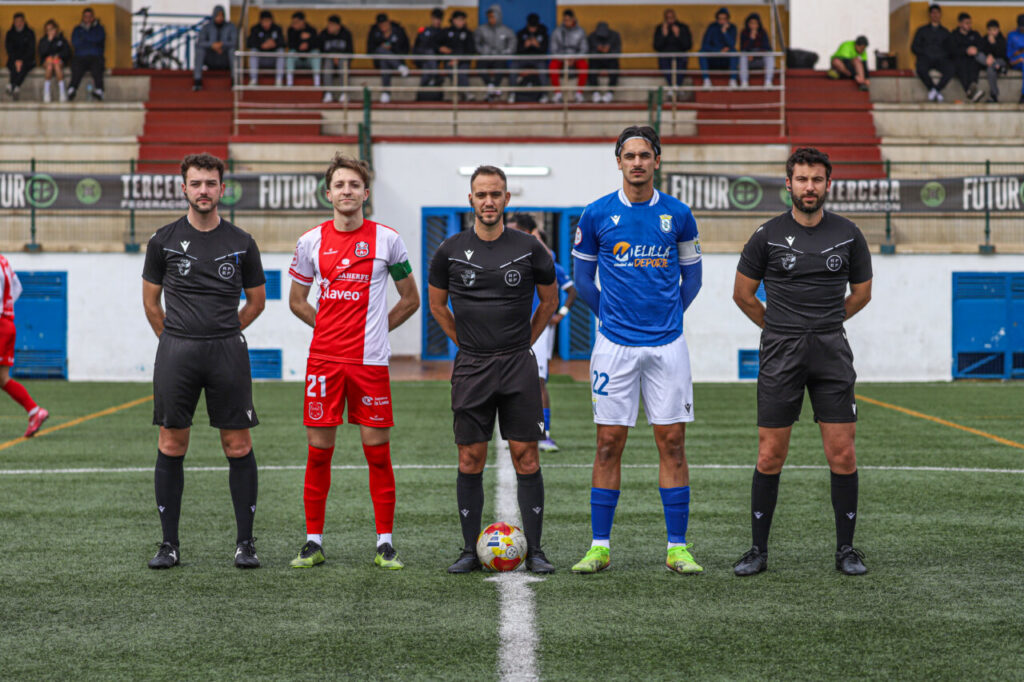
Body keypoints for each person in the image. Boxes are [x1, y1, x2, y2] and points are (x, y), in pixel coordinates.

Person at [731, 147, 872, 577]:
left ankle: (846, 550)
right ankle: (758, 551)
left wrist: (826, 324)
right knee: (771, 454)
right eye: (802, 179)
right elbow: (743, 294)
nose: (809, 187)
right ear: (788, 184)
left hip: (831, 352)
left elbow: (862, 292)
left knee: (842, 454)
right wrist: (778, 327)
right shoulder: (766, 235)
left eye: (817, 179)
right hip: (781, 352)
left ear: (828, 184)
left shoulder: (849, 234)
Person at [570, 125, 704, 575]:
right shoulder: (595, 215)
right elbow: (584, 281)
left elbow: (694, 278)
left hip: (668, 345)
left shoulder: (679, 215)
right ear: (619, 161)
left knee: (673, 443)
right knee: (608, 444)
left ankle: (678, 547)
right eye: (630, 156)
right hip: (614, 347)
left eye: (645, 155)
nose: (638, 163)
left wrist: (668, 317)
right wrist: (611, 317)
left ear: (657, 160)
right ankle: (599, 546)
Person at [287, 154, 419, 570]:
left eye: (354, 185)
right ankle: (313, 541)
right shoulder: (310, 241)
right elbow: (296, 301)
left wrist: (375, 330)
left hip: (370, 365)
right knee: (318, 453)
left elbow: (410, 299)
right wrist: (325, 327)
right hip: (324, 363)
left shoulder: (387, 240)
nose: (347, 191)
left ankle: (385, 543)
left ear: (366, 193)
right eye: (339, 185)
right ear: (328, 193)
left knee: (377, 453)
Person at [427, 165, 558, 574]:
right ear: (470, 199)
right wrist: (465, 344)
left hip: (518, 364)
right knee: (470, 458)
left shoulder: (531, 249)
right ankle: (469, 550)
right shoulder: (448, 250)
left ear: (506, 199)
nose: (489, 201)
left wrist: (525, 343)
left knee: (527, 457)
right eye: (481, 194)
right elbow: (436, 306)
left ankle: (535, 550)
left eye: (496, 194)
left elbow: (549, 303)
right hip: (472, 367)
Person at [141, 153, 267, 570]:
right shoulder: (162, 240)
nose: (203, 191)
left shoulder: (242, 242)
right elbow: (150, 301)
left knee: (238, 444)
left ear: (222, 189)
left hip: (227, 350)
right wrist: (175, 339)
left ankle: (245, 544)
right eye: (196, 183)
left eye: (211, 183)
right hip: (177, 351)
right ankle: (168, 545)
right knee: (172, 443)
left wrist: (225, 333)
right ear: (184, 188)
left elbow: (256, 301)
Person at [507, 213, 577, 451]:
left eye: (513, 229)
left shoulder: (545, 259)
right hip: (511, 327)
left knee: (537, 381)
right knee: (511, 382)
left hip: (537, 327)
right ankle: (518, 432)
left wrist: (561, 314)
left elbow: (572, 291)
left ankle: (543, 434)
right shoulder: (509, 256)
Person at [0, 254, 49, 438]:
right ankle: (34, 411)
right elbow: (17, 289)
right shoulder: (3, 261)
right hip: (7, 324)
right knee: (2, 379)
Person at [912, 3, 953, 102]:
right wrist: (924, 53)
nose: (935, 15)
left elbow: (950, 48)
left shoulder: (945, 32)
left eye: (937, 13)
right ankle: (933, 89)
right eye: (933, 13)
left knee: (951, 69)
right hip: (926, 58)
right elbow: (914, 47)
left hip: (940, 59)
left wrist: (943, 55)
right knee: (920, 68)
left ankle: (936, 90)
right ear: (930, 15)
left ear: (940, 15)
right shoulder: (922, 30)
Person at [367, 13, 410, 104]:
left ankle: (386, 93)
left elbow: (406, 49)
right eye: (381, 25)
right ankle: (399, 67)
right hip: (380, 62)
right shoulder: (374, 32)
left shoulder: (398, 31)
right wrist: (383, 48)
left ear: (389, 22)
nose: (383, 27)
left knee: (384, 60)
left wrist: (392, 48)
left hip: (397, 58)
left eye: (385, 24)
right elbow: (370, 50)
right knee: (381, 53)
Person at [475, 5, 516, 101]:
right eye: (489, 17)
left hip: (499, 57)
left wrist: (505, 53)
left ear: (498, 16)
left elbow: (512, 44)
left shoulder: (506, 30)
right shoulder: (482, 29)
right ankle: (492, 87)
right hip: (486, 57)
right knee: (479, 65)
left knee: (500, 65)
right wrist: (483, 51)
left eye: (493, 17)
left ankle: (493, 88)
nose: (491, 19)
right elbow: (476, 43)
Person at [193, 5, 237, 92]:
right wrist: (212, 45)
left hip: (224, 58)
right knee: (200, 51)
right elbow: (200, 42)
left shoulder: (230, 27)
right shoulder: (207, 27)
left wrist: (222, 45)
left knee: (232, 51)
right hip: (211, 58)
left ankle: (234, 81)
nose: (219, 18)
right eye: (217, 15)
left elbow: (234, 42)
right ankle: (197, 81)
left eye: (221, 15)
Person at [549, 9, 588, 103]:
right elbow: (553, 50)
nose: (566, 22)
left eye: (568, 20)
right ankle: (558, 94)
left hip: (576, 58)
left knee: (584, 65)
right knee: (552, 65)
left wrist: (574, 58)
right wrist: (563, 58)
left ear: (573, 19)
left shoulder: (580, 31)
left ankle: (579, 94)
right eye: (564, 20)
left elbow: (584, 49)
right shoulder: (557, 32)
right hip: (561, 58)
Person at [68, 7, 105, 101]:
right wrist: (90, 40)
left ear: (93, 18)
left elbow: (98, 39)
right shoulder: (77, 29)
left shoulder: (99, 29)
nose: (87, 19)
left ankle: (99, 90)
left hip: (95, 56)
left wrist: (84, 38)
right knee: (76, 68)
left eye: (90, 17)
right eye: (85, 17)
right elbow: (75, 42)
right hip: (80, 56)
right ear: (83, 18)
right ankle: (72, 89)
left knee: (97, 67)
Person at [947, 13, 985, 102]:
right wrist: (966, 50)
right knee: (961, 65)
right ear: (960, 24)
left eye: (970, 23)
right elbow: (952, 50)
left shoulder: (975, 34)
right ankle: (971, 91)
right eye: (966, 23)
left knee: (974, 63)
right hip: (960, 60)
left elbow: (982, 45)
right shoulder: (954, 35)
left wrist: (976, 49)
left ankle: (971, 90)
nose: (969, 25)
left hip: (972, 60)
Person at [513, 13, 550, 103]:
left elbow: (545, 51)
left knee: (542, 67)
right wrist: (525, 45)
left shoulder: (543, 34)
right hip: (523, 59)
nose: (532, 29)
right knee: (513, 66)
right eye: (531, 26)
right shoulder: (521, 34)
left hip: (538, 60)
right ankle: (512, 93)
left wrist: (538, 45)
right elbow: (517, 50)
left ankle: (544, 94)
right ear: (527, 24)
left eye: (534, 27)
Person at [440, 11, 475, 100]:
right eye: (458, 20)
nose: (461, 22)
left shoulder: (468, 33)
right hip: (449, 62)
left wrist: (459, 59)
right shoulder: (446, 32)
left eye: (462, 20)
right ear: (453, 20)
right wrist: (440, 48)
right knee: (452, 69)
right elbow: (437, 44)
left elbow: (471, 50)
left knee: (462, 71)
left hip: (464, 61)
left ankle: (465, 92)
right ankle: (465, 92)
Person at [318, 15, 353, 103]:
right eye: (329, 25)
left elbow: (350, 51)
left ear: (338, 26)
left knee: (343, 62)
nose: (329, 27)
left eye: (332, 25)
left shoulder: (346, 34)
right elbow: (320, 50)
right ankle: (328, 93)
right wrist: (332, 56)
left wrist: (339, 56)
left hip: (342, 59)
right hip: (329, 59)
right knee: (327, 63)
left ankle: (344, 93)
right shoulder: (324, 34)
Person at [653, 8, 692, 89]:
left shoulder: (683, 27)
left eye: (672, 17)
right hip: (665, 56)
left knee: (681, 64)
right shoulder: (660, 28)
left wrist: (678, 35)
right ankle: (673, 87)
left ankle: (676, 87)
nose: (670, 20)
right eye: (668, 18)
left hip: (680, 55)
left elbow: (688, 45)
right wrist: (664, 35)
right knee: (664, 63)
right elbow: (656, 46)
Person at [699, 7, 737, 88]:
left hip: (726, 60)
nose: (722, 21)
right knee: (702, 52)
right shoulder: (712, 27)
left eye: (724, 19)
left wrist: (725, 32)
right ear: (717, 19)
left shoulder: (732, 28)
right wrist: (718, 50)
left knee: (734, 52)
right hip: (713, 59)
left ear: (728, 19)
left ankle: (733, 80)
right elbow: (705, 45)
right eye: (720, 19)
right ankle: (706, 80)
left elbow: (732, 44)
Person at [413, 8, 445, 100]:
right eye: (436, 18)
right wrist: (437, 48)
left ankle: (420, 96)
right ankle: (436, 75)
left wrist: (438, 49)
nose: (437, 21)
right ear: (432, 18)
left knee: (427, 68)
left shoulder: (442, 32)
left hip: (433, 62)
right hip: (421, 59)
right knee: (428, 52)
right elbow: (420, 46)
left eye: (439, 19)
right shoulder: (425, 30)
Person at [246, 10, 284, 86]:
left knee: (281, 51)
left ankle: (279, 79)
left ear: (271, 20)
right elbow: (249, 43)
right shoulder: (255, 29)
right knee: (253, 51)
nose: (266, 23)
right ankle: (254, 79)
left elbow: (283, 43)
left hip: (273, 59)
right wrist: (261, 45)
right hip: (261, 58)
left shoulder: (277, 28)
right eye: (264, 21)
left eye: (268, 21)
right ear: (260, 21)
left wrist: (274, 44)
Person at [587, 21, 621, 102]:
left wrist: (609, 50)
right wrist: (598, 50)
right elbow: (588, 51)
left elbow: (618, 51)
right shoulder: (592, 36)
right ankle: (595, 92)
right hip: (597, 60)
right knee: (591, 66)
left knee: (615, 66)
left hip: (610, 60)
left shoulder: (615, 36)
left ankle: (610, 93)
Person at [38, 19, 71, 103]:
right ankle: (46, 92)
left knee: (56, 65)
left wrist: (58, 56)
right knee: (49, 66)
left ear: (56, 29)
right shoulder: (44, 40)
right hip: (47, 61)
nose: (50, 31)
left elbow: (67, 52)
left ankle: (62, 91)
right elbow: (42, 52)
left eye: (51, 29)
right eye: (48, 30)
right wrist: (49, 41)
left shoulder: (61, 40)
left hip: (58, 61)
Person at [5, 13, 35, 101]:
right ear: (14, 22)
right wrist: (16, 60)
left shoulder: (29, 33)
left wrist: (21, 60)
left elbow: (31, 49)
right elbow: (9, 49)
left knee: (24, 66)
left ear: (24, 22)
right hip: (13, 60)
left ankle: (13, 84)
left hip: (27, 59)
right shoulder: (10, 34)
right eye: (16, 22)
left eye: (20, 21)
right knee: (14, 66)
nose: (18, 24)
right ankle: (16, 86)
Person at [739, 12, 774, 88]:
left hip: (760, 59)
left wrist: (755, 55)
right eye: (751, 23)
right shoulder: (744, 33)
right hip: (749, 60)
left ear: (758, 24)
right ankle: (744, 82)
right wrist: (751, 39)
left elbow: (767, 48)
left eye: (755, 23)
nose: (753, 25)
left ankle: (768, 81)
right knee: (743, 56)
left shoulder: (763, 32)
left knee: (770, 56)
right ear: (748, 24)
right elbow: (743, 48)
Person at [286, 11, 319, 88]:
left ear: (302, 21)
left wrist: (308, 42)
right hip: (297, 58)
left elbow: (317, 44)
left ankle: (317, 81)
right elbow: (290, 44)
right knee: (290, 54)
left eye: (296, 22)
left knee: (316, 54)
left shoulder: (311, 30)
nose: (294, 24)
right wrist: (299, 45)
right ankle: (289, 81)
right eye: (293, 22)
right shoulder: (291, 30)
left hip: (308, 59)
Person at [978, 19, 1007, 102]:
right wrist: (989, 56)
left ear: (998, 30)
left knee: (990, 68)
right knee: (978, 55)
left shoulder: (1002, 39)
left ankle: (994, 95)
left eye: (994, 30)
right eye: (990, 30)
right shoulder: (984, 38)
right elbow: (981, 50)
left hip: (999, 61)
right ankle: (999, 68)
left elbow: (1003, 54)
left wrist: (994, 44)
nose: (992, 32)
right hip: (988, 61)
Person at [1007, 14, 1024, 104]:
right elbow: (1009, 55)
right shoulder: (1012, 35)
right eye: (1021, 26)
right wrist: (1020, 55)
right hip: (1015, 62)